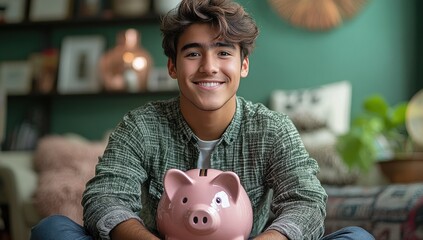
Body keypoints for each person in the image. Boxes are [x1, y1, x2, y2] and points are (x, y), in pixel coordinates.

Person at [30, 0, 375, 239]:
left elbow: (306, 200)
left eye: (224, 52)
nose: (209, 66)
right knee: (52, 230)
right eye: (193, 53)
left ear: (243, 65)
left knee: (357, 237)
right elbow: (106, 197)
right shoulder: (141, 126)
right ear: (172, 66)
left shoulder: (272, 129)